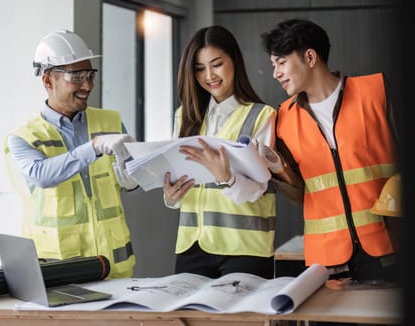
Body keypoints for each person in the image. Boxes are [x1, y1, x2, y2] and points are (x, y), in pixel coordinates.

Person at [260, 18, 401, 285]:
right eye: (273, 65)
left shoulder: (376, 91)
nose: (275, 73)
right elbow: (300, 193)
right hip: (327, 260)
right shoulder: (284, 119)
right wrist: (278, 170)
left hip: (388, 249)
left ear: (310, 57)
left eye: (281, 63)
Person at [4, 29, 139, 279]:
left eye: (90, 75)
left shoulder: (111, 121)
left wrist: (136, 176)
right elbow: (41, 175)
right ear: (48, 81)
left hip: (115, 269)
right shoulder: (23, 137)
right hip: (60, 273)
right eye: (76, 77)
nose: (87, 85)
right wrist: (93, 147)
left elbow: (131, 176)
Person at [162, 25, 279, 279]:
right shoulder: (184, 116)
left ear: (234, 62)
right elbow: (181, 184)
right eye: (200, 68)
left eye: (216, 64)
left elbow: (260, 188)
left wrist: (227, 178)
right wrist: (172, 197)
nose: (209, 75)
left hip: (245, 248)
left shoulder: (261, 116)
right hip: (192, 246)